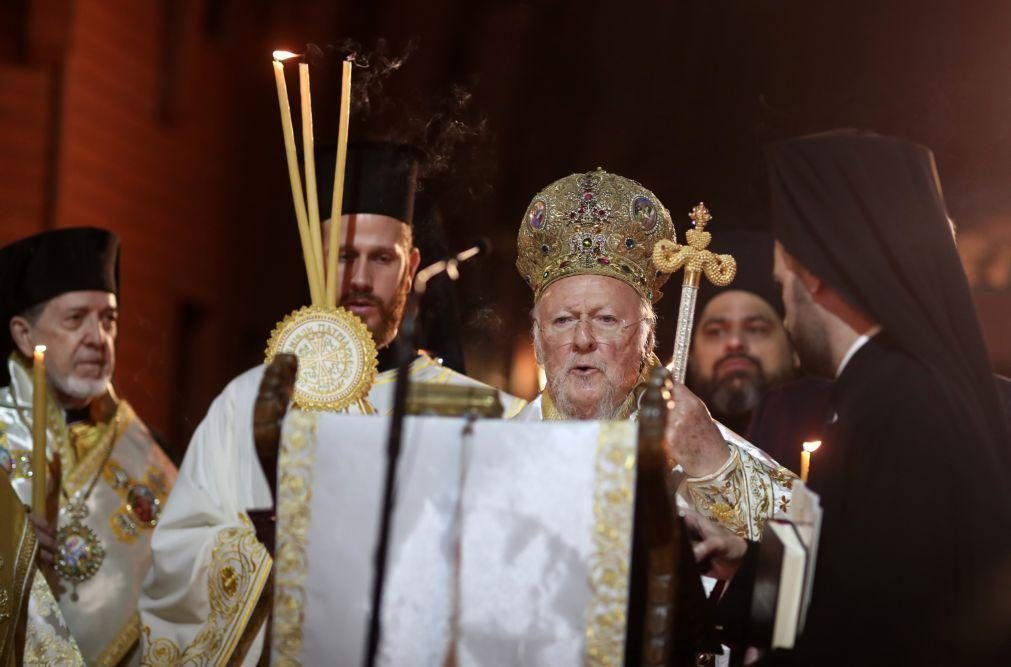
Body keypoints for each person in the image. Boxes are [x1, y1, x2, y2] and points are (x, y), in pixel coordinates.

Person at [139, 140, 524, 665]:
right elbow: (175, 564)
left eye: (381, 258)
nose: (360, 279)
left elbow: (518, 572)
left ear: (410, 267)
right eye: (344, 256)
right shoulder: (246, 403)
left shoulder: (479, 415)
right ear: (313, 260)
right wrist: (272, 556)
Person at [690, 130, 1011, 665]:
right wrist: (749, 565)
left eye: (783, 276)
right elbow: (857, 570)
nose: (782, 298)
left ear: (813, 276)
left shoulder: (903, 410)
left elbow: (872, 629)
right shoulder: (888, 391)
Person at [513, 168, 795, 540]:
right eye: (563, 320)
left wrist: (712, 468)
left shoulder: (698, 446)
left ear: (648, 337)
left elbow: (800, 548)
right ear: (538, 339)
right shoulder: (500, 449)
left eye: (606, 319)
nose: (583, 339)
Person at [0, 227, 177, 665]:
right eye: (75, 319)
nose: (98, 338)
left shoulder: (149, 447)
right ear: (24, 335)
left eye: (109, 320)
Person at [685, 230, 799, 438]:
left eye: (756, 329)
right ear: (689, 355)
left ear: (794, 350)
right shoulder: (644, 444)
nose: (735, 342)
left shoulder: (837, 435)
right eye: (715, 332)